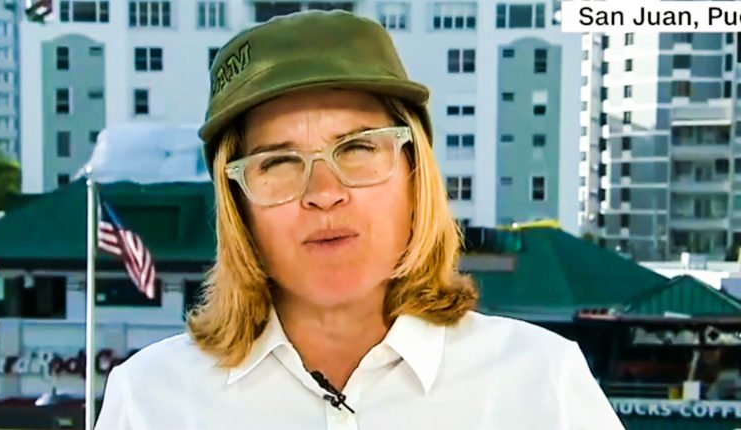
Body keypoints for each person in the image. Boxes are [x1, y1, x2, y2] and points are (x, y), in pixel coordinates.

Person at [95, 9, 625, 430]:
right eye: (278, 163)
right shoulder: (148, 399)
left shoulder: (542, 383)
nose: (324, 194)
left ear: (415, 175)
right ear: (239, 206)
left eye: (358, 148)